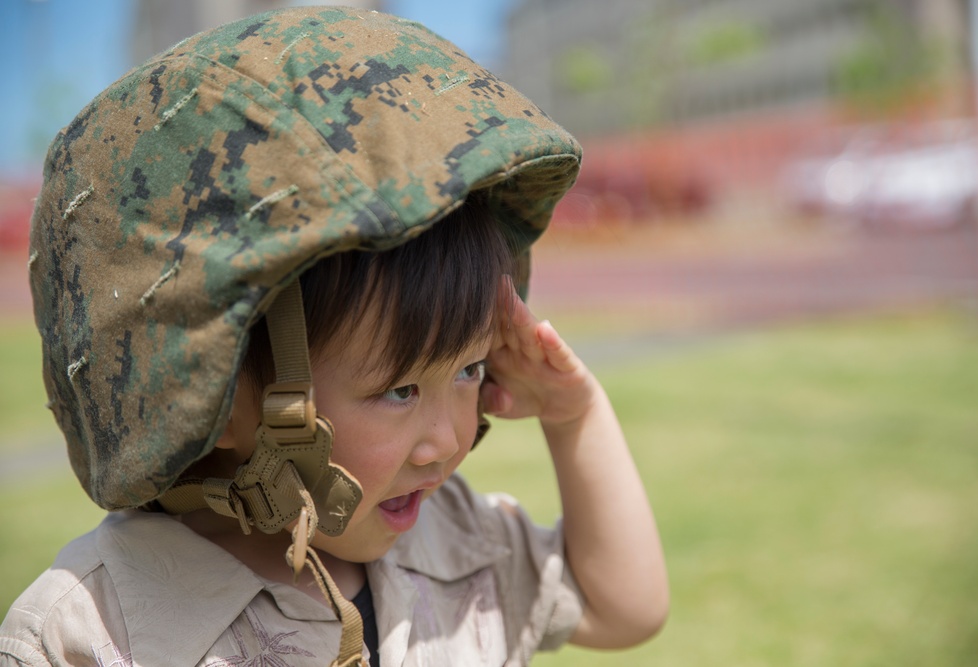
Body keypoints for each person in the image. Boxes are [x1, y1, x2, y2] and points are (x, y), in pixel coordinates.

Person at [0, 6, 667, 666]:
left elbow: (624, 606)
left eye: (468, 371)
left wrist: (575, 416)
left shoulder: (457, 540)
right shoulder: (94, 628)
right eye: (401, 390)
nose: (446, 442)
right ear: (221, 394)